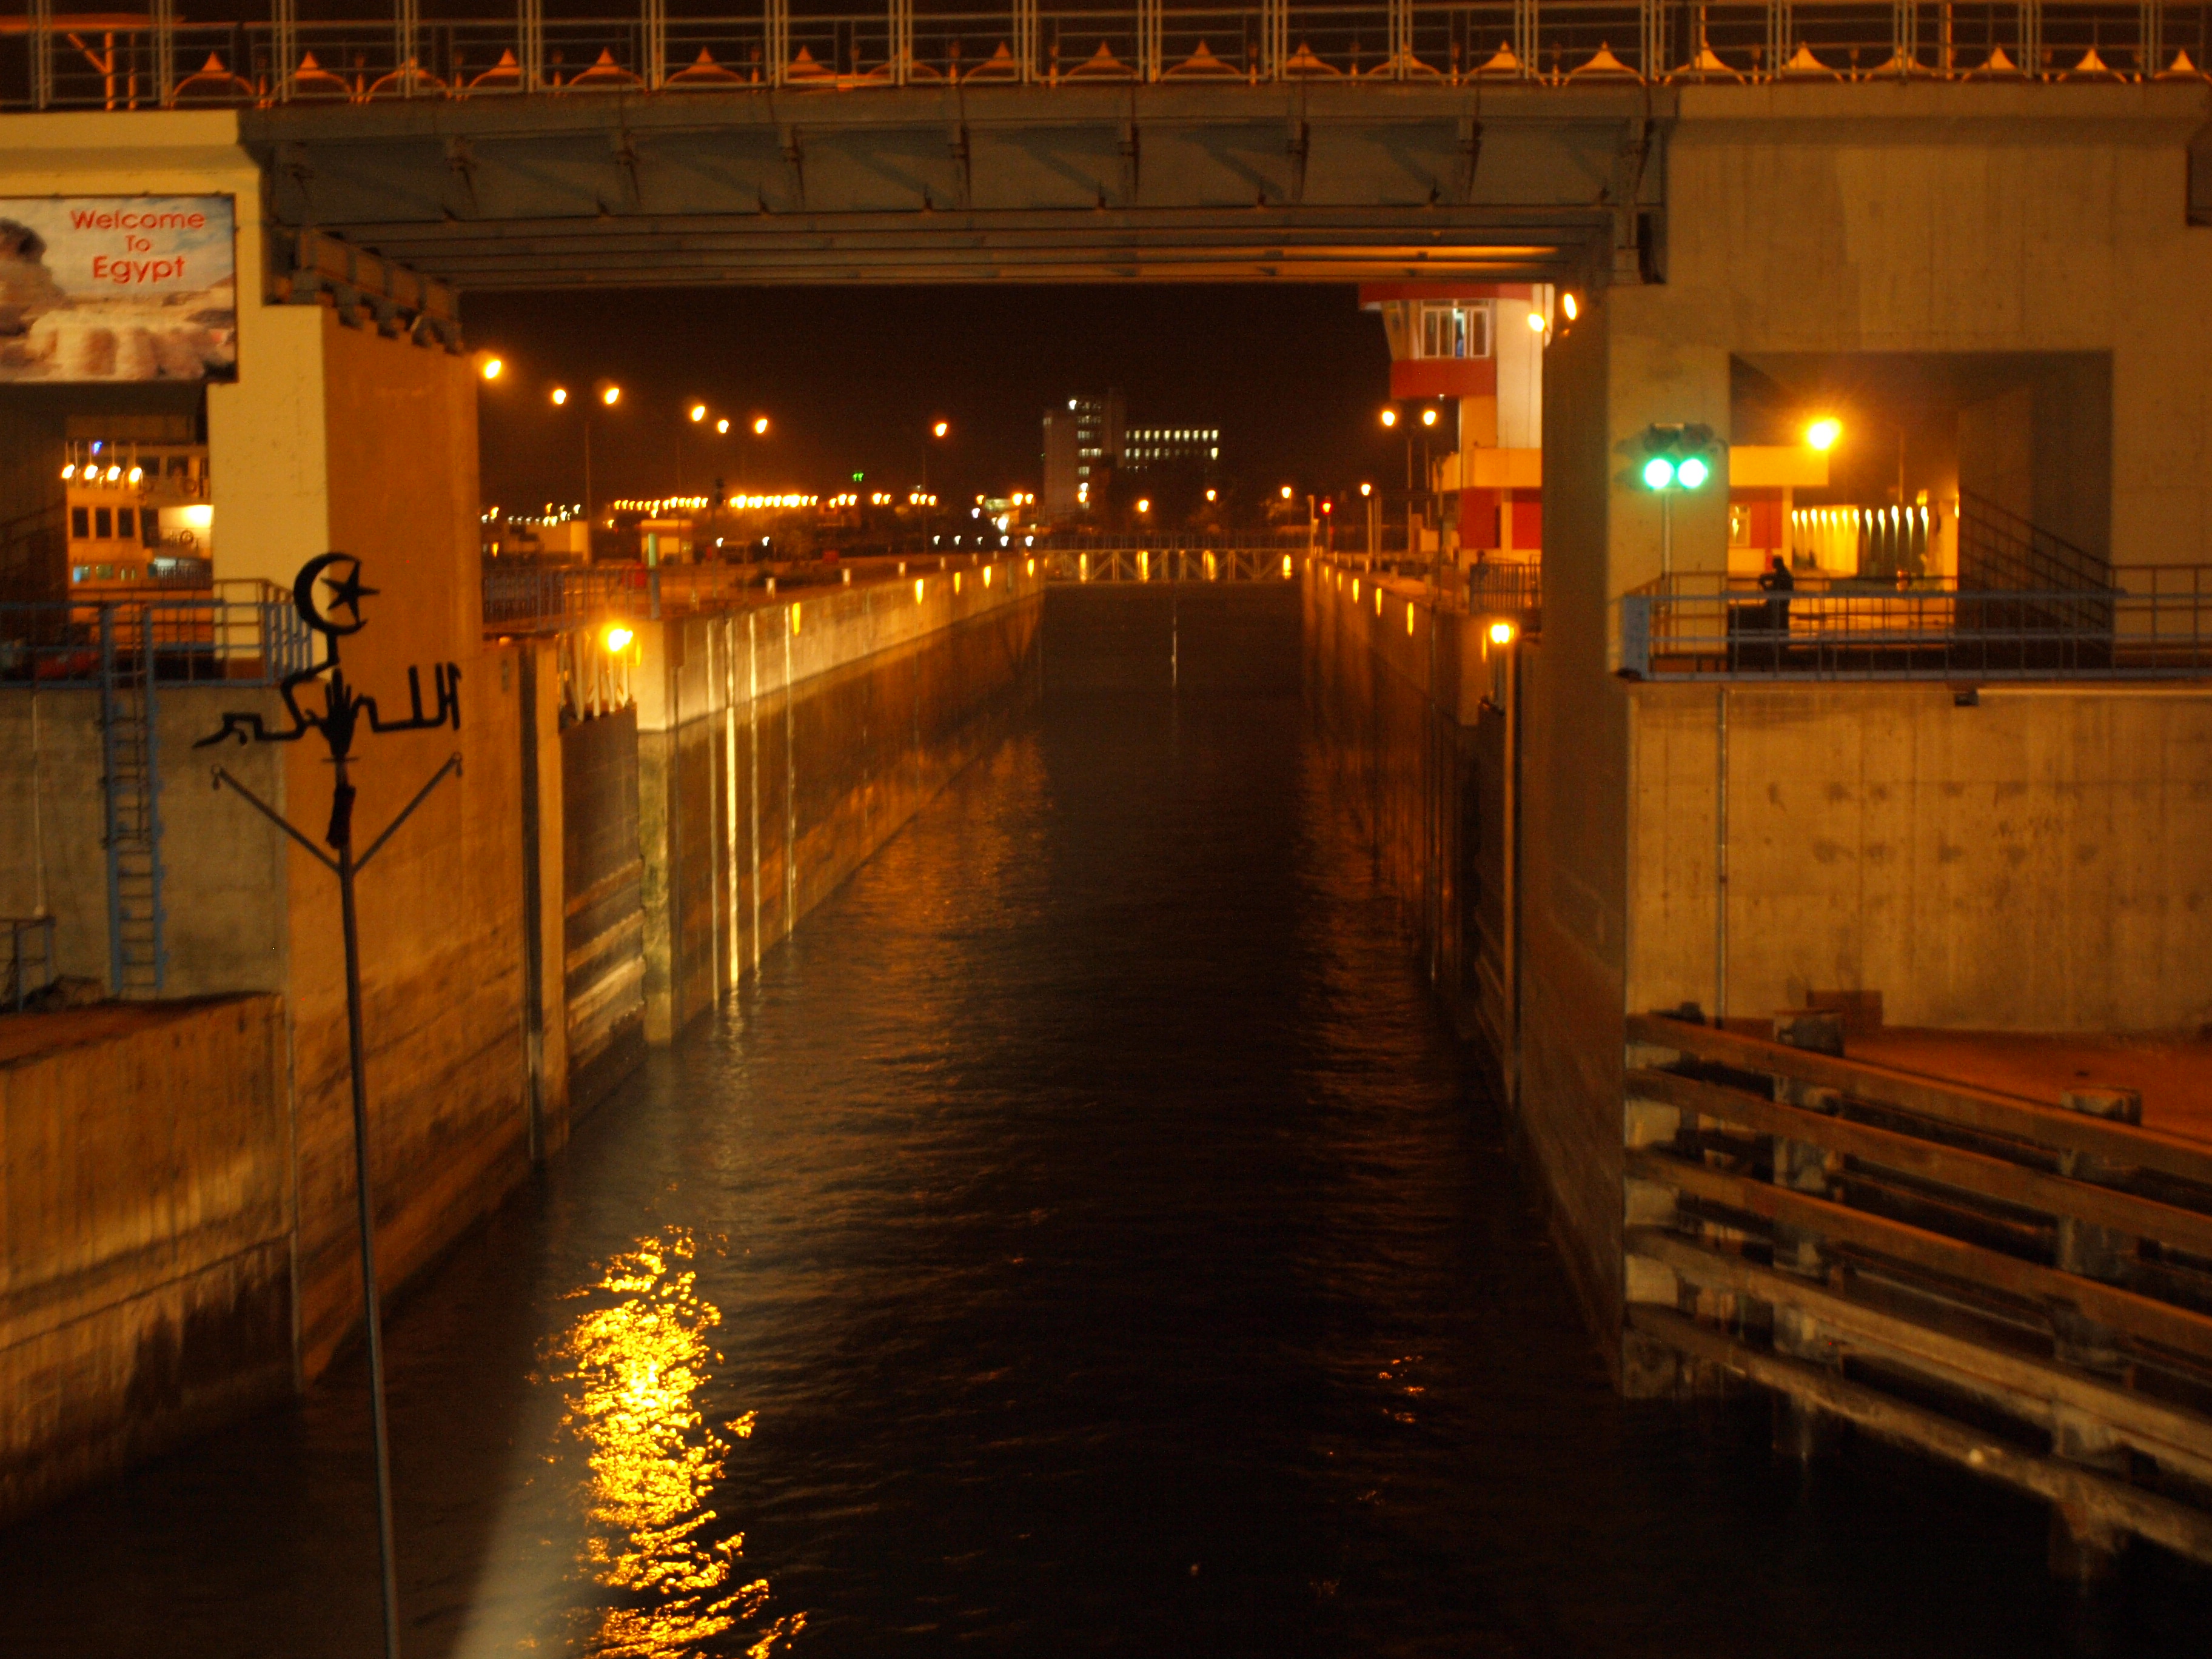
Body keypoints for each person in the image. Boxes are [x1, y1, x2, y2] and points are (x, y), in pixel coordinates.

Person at [1758, 553, 1795, 640]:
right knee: (1783, 622)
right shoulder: (1784, 573)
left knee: (1775, 619)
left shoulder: (1782, 575)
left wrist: (1764, 585)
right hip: (1783, 602)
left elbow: (1773, 590)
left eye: (1773, 563)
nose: (1772, 564)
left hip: (1780, 603)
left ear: (1777, 564)